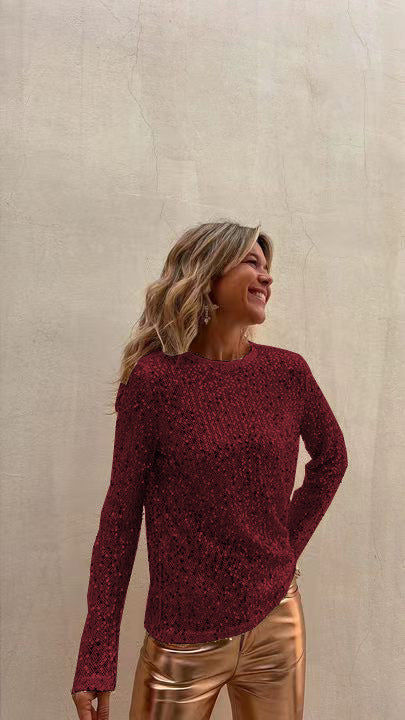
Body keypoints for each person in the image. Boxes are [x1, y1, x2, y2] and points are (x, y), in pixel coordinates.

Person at [71, 220, 348, 719]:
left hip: (277, 623)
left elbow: (332, 459)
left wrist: (284, 548)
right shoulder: (154, 382)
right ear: (208, 274)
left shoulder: (287, 372)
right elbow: (119, 520)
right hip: (182, 638)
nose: (266, 276)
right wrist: (97, 657)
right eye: (251, 262)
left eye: (268, 266)